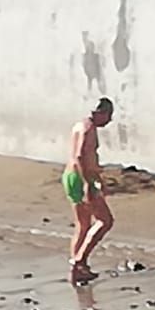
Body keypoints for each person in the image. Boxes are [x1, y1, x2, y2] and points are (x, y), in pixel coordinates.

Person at [65, 98, 116, 284]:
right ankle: (79, 261)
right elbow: (80, 156)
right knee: (105, 221)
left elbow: (84, 157)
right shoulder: (89, 129)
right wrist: (89, 183)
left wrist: (99, 180)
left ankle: (77, 269)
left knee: (83, 225)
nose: (109, 121)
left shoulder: (79, 125)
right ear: (101, 113)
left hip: (70, 176)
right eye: (109, 116)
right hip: (81, 176)